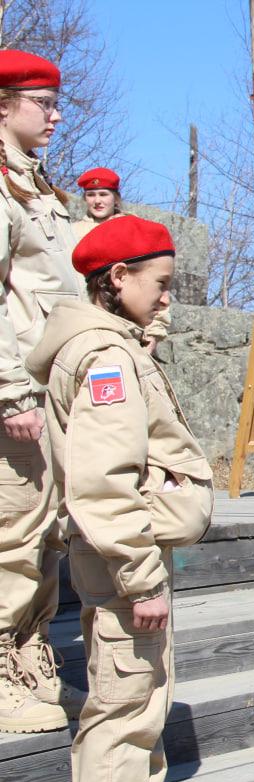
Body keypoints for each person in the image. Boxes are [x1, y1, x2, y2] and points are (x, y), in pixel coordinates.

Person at [26, 215, 214, 782]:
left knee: (137, 692)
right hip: (121, 562)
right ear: (117, 277)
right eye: (159, 283)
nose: (167, 297)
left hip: (122, 555)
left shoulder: (115, 346)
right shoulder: (106, 357)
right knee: (124, 699)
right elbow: (105, 482)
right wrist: (140, 578)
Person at [0, 49, 87, 734]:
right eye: (41, 100)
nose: (56, 113)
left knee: (44, 536)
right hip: (17, 394)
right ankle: (3, 675)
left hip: (51, 390)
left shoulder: (36, 187)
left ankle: (33, 660)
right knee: (13, 533)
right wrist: (9, 391)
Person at [73, 167, 169, 349]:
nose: (98, 201)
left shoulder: (135, 231)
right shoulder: (72, 232)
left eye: (103, 194)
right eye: (91, 195)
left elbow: (154, 281)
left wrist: (154, 331)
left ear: (115, 198)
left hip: (128, 326)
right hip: (85, 322)